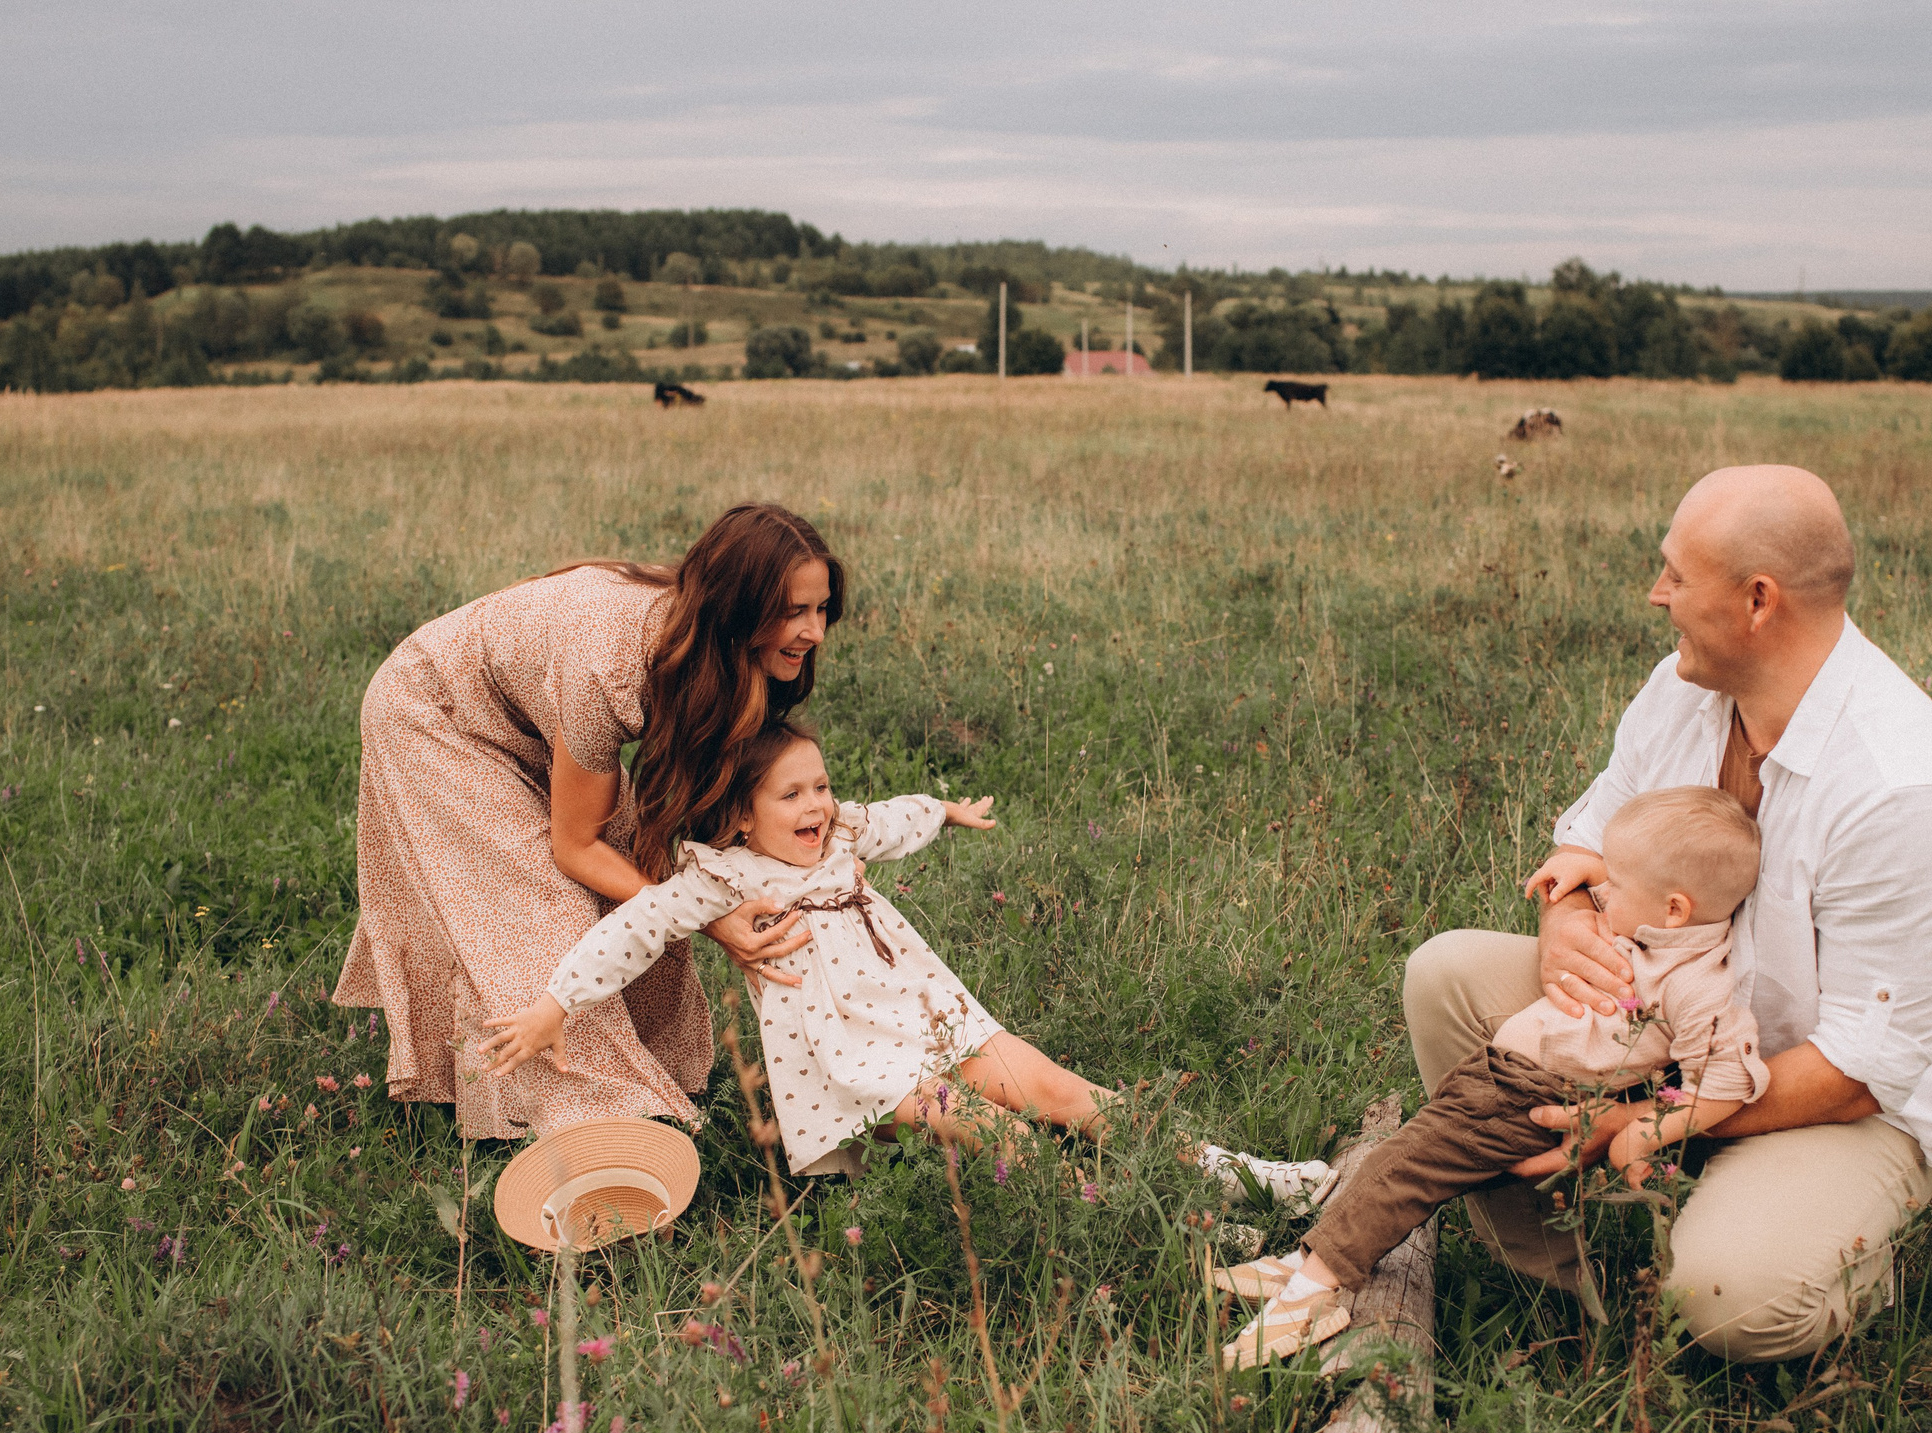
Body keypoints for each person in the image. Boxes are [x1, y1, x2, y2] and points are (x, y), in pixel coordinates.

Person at [1392, 464, 1932, 1363]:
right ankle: (1547, 1290)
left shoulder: (1900, 790)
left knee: (1730, 1298)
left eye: (1677, 575)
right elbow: (1593, 839)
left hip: (1831, 1101)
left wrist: (1653, 1116)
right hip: (1667, 1014)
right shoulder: (1682, 689)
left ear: (1758, 600)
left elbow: (1859, 1073)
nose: (1658, 595)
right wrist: (1568, 929)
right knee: (1446, 973)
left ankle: (1849, 1256)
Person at [333, 502, 840, 1146]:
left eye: (820, 609)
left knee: (646, 867)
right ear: (738, 606)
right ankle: (594, 1126)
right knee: (537, 907)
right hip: (434, 712)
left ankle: (652, 1074)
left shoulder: (719, 651)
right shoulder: (616, 664)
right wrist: (712, 918)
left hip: (532, 718)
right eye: (793, 612)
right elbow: (575, 847)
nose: (815, 631)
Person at [1215, 787, 1769, 1368]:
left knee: (1408, 1171)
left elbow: (1728, 1079)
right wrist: (1585, 865)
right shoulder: (1660, 921)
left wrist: (1646, 1129)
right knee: (1412, 1155)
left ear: (1674, 908)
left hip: (1536, 1096)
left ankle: (1313, 1294)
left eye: (1616, 887)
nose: (1602, 896)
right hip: (1503, 1075)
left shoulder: (1698, 985)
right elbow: (1629, 881)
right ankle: (1314, 1263)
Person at [473, 720, 1113, 1175]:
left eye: (822, 787)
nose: (819, 806)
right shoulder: (722, 880)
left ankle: (1198, 1163)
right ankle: (1086, 1217)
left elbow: (891, 818)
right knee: (995, 1130)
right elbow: (632, 930)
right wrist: (556, 1004)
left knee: (1056, 1088)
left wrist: (943, 811)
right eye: (792, 794)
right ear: (743, 815)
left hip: (925, 1013)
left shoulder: (841, 833)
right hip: (852, 1067)